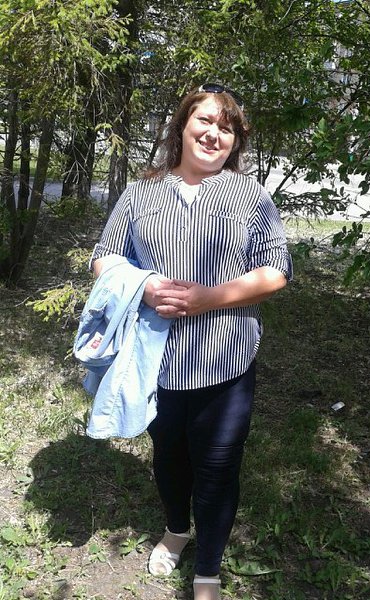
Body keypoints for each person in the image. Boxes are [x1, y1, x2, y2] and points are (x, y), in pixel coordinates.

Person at [90, 83, 292, 600]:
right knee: (169, 455)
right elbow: (104, 256)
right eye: (204, 121)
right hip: (154, 359)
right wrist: (143, 285)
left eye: (226, 128)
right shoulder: (141, 192)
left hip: (228, 357)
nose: (213, 134)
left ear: (235, 141)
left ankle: (207, 571)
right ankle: (177, 530)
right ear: (182, 126)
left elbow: (276, 270)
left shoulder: (250, 195)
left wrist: (210, 298)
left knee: (219, 465)